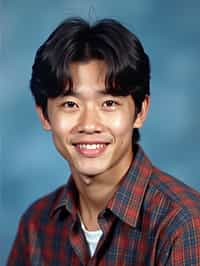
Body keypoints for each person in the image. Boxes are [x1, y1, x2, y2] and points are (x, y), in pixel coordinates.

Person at [7, 17, 200, 266]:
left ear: (140, 112)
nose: (89, 124)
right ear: (44, 115)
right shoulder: (36, 225)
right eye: (70, 104)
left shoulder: (183, 226)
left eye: (109, 103)